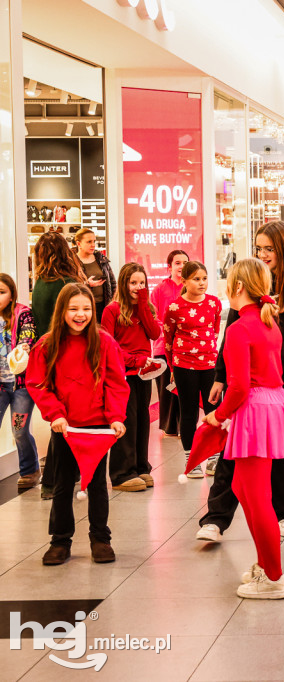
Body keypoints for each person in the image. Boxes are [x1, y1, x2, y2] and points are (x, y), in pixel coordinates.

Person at [198, 221, 284, 543]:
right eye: (259, 248)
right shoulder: (250, 284)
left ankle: (283, 514)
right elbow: (232, 332)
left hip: (283, 384)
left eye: (269, 248)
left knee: (282, 454)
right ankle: (215, 519)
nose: (263, 254)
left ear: (283, 249)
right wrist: (220, 376)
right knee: (232, 454)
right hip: (244, 384)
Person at [202, 259, 284, 599]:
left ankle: (273, 576)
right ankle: (265, 565)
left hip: (254, 409)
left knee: (257, 498)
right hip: (272, 404)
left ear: (237, 286)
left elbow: (238, 386)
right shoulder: (268, 322)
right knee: (244, 488)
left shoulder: (240, 328)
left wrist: (217, 415)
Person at [27, 283, 129, 566]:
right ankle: (60, 541)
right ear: (62, 311)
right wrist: (55, 414)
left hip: (97, 429)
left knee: (97, 484)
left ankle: (100, 538)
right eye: (73, 309)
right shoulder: (47, 345)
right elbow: (38, 383)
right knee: (62, 485)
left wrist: (116, 417)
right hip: (66, 428)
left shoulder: (104, 342)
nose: (80, 314)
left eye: (86, 309)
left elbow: (116, 383)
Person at [30, 233, 85, 499]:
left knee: (60, 418)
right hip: (69, 357)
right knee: (68, 423)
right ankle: (54, 481)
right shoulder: (69, 283)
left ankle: (59, 478)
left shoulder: (40, 283)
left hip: (47, 356)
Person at [101, 263, 161, 492]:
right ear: (124, 283)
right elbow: (108, 345)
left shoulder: (146, 308)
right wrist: (133, 360)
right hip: (122, 374)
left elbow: (154, 334)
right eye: (133, 283)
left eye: (142, 283)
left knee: (142, 422)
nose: (138, 287)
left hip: (143, 374)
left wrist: (144, 304)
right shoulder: (112, 310)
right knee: (126, 420)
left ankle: (140, 466)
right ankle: (121, 473)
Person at [163, 261, 222, 476]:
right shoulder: (174, 308)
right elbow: (168, 340)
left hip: (209, 364)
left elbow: (214, 332)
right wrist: (173, 366)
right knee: (188, 413)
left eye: (204, 278)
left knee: (213, 411)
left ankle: (214, 459)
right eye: (196, 279)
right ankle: (191, 460)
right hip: (183, 365)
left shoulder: (214, 303)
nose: (202, 283)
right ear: (184, 281)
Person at [0, 273, 40, 489]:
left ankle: (30, 470)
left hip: (21, 385)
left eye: (1, 292)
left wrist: (24, 345)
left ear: (12, 294)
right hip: (0, 386)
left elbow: (28, 336)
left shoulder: (23, 313)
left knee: (19, 429)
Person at [152, 250, 188, 438]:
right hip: (162, 346)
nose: (181, 266)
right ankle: (168, 427)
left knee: (184, 389)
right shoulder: (159, 289)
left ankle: (185, 426)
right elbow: (154, 317)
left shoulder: (191, 287)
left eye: (184, 262)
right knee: (166, 389)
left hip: (186, 347)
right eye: (177, 262)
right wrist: (166, 331)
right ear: (170, 266)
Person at [73, 228, 115, 314]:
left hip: (104, 306)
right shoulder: (72, 263)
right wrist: (87, 285)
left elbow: (112, 282)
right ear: (79, 244)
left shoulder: (101, 259)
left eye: (94, 241)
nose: (93, 245)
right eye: (89, 242)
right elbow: (70, 287)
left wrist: (114, 302)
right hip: (83, 306)